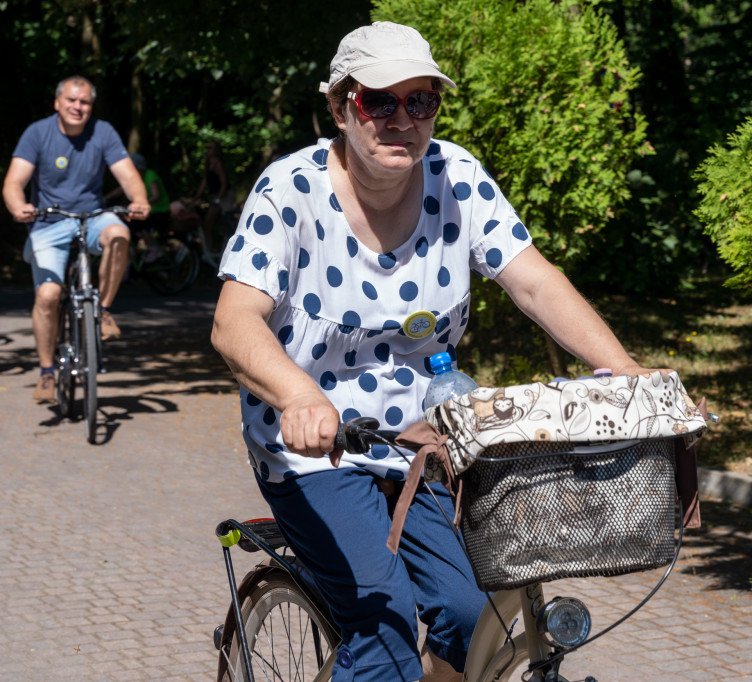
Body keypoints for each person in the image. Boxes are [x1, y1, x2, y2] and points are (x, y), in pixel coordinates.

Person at [210, 21, 670, 682]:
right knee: (386, 619)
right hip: (317, 449)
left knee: (473, 609)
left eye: (420, 100)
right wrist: (298, 394)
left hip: (426, 442)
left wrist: (625, 371)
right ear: (341, 107)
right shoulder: (290, 192)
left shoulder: (456, 177)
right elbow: (234, 322)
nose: (403, 119)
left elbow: (534, 282)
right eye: (380, 101)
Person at [2, 75, 150, 404]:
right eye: (71, 100)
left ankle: (105, 311)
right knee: (48, 296)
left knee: (119, 233)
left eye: (84, 102)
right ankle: (45, 372)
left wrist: (138, 200)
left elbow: (127, 174)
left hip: (91, 217)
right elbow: (14, 181)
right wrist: (19, 207)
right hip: (48, 222)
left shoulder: (103, 132)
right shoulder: (37, 133)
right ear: (57, 102)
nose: (77, 107)